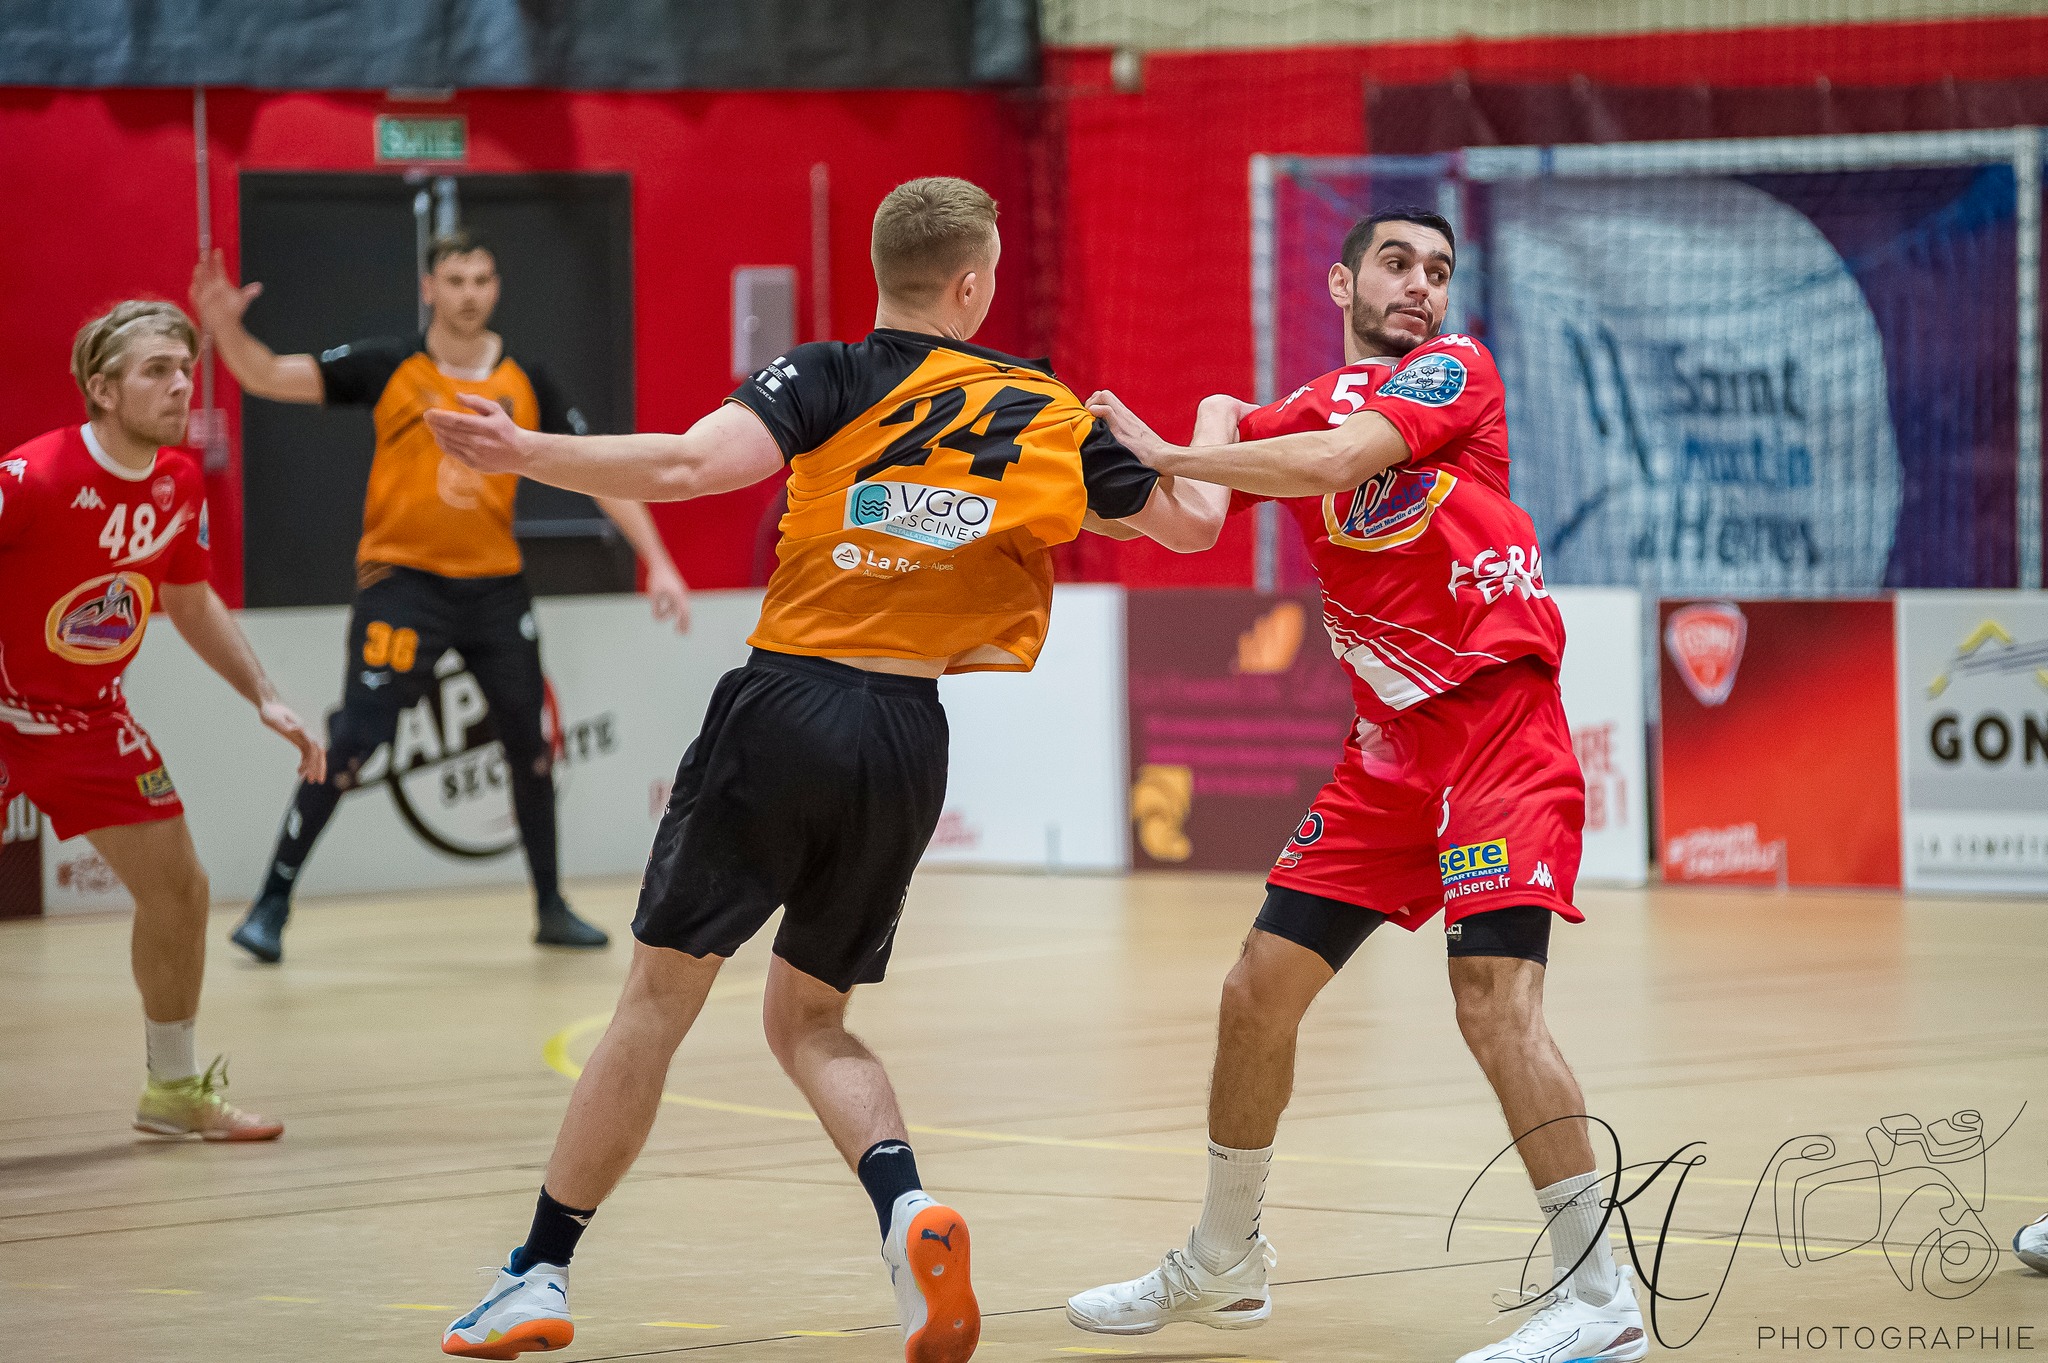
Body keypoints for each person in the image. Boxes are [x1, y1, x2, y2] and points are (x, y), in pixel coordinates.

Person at [423, 176, 1226, 1362]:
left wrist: (521, 448)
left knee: (658, 1000)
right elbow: (1194, 523)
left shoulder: (826, 374)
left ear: (882, 274)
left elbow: (692, 466)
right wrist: (1207, 420)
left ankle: (537, 1271)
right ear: (971, 283)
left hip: (784, 702)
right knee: (811, 1017)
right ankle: (907, 1210)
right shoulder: (1041, 406)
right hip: (906, 734)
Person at [1067, 210, 1645, 1363]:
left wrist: (1176, 446)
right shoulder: (1292, 409)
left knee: (1492, 1003)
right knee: (1252, 994)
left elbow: (1325, 465)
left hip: (1497, 730)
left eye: (1436, 270)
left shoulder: (1452, 370)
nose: (1420, 285)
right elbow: (1189, 524)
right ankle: (1226, 1264)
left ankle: (1599, 1299)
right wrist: (1075, 472)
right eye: (1395, 263)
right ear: (1339, 281)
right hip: (1386, 756)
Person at [188, 231, 693, 962]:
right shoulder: (389, 366)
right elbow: (265, 374)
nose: (469, 292)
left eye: (483, 278)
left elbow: (597, 471)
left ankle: (550, 907)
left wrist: (661, 563)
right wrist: (224, 325)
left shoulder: (528, 378)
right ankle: (270, 906)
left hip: (495, 591)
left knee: (531, 745)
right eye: (454, 278)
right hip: (401, 586)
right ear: (429, 287)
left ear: (496, 288)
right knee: (355, 741)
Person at [0, 300, 326, 1139]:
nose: (182, 383)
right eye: (158, 370)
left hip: (88, 720)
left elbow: (185, 596)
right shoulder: (32, 479)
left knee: (179, 889)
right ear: (102, 390)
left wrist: (263, 693)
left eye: (186, 368)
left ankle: (173, 1091)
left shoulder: (179, 482)